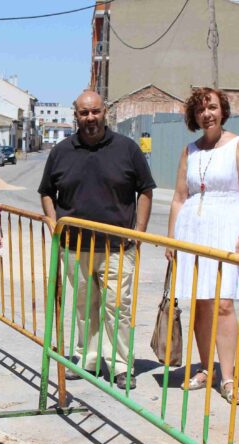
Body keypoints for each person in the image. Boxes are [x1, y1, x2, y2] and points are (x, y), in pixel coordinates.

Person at [38, 90, 156, 390]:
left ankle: (121, 366)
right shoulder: (61, 151)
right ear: (76, 116)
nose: (90, 118)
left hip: (117, 247)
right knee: (84, 307)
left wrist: (139, 232)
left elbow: (145, 189)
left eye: (95, 111)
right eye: (84, 113)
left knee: (118, 308)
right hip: (75, 247)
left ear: (105, 112)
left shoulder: (127, 149)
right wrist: (54, 224)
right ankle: (86, 360)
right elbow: (47, 192)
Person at [166, 87, 239, 405]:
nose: (207, 114)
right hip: (193, 230)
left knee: (224, 303)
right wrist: (171, 239)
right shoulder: (189, 151)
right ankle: (207, 368)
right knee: (201, 302)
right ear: (194, 116)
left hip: (227, 229)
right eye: (201, 110)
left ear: (223, 111)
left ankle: (228, 378)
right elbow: (179, 197)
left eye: (213, 108)